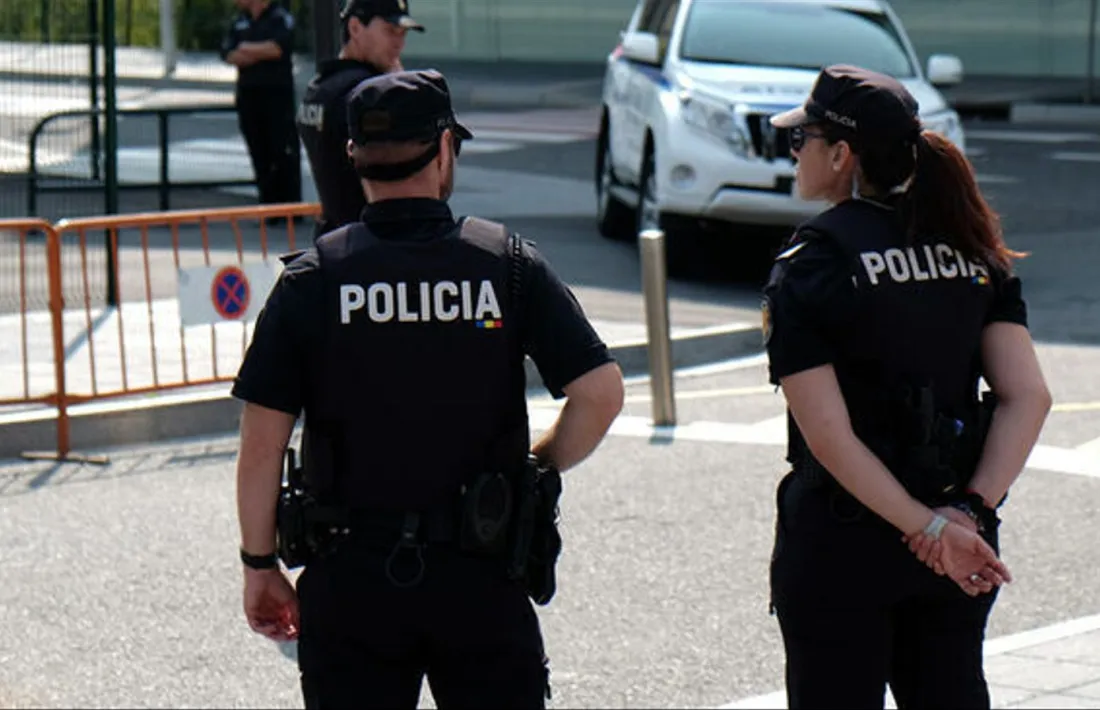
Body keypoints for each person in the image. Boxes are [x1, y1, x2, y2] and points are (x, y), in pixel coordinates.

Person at [231, 69, 625, 708]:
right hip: (481, 572)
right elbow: (601, 395)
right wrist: (538, 462)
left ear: (353, 156)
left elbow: (261, 444)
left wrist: (259, 566)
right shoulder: (506, 265)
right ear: (444, 149)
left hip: (351, 579)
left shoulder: (313, 279)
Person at [762, 64, 1052, 709]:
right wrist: (966, 515)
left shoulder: (815, 262)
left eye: (801, 138)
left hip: (845, 543)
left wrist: (928, 529)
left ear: (841, 154)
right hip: (959, 532)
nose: (794, 152)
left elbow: (831, 438)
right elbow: (1028, 396)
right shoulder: (973, 247)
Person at [296, 0, 425, 238]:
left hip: (334, 237)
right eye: (390, 31)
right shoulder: (367, 93)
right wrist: (399, 88)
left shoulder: (319, 87)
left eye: (403, 33)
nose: (399, 43)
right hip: (374, 240)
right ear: (355, 27)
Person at [220, 0, 302, 206]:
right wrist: (258, 52)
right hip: (248, 96)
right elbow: (228, 53)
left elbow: (277, 48)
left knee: (282, 153)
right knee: (258, 152)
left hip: (276, 97)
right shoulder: (239, 21)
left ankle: (290, 208)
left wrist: (245, 47)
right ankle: (267, 206)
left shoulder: (279, 17)